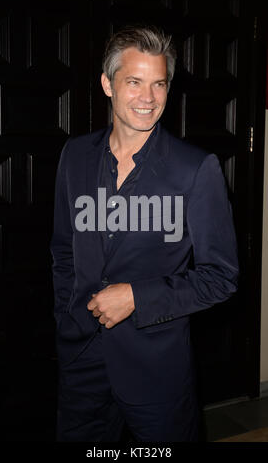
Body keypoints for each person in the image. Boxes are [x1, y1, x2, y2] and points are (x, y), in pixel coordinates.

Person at [50, 25, 239, 442]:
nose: (148, 99)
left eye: (158, 84)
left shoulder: (195, 168)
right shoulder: (75, 155)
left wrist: (136, 296)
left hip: (157, 372)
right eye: (134, 82)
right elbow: (64, 250)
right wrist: (68, 315)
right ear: (107, 84)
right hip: (81, 362)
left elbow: (221, 277)